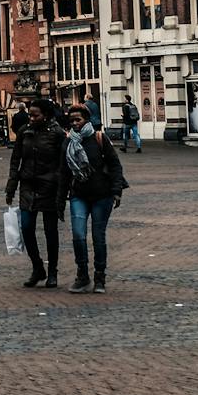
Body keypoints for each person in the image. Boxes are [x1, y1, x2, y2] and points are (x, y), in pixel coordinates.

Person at [60, 103, 126, 294]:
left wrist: (116, 191)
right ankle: (82, 274)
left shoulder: (99, 138)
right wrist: (59, 200)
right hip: (78, 195)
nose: (75, 124)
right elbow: (63, 172)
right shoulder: (68, 142)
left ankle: (99, 276)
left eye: (78, 120)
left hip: (101, 195)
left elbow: (115, 165)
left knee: (98, 237)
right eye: (71, 120)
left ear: (86, 120)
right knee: (78, 235)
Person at [5, 97, 66, 289]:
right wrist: (11, 186)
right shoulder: (25, 132)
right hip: (28, 185)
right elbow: (16, 160)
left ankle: (53, 272)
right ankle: (37, 267)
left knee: (50, 231)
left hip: (49, 186)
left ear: (45, 115)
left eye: (35, 115)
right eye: (30, 114)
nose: (31, 118)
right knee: (27, 228)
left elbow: (63, 164)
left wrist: (61, 190)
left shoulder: (57, 134)